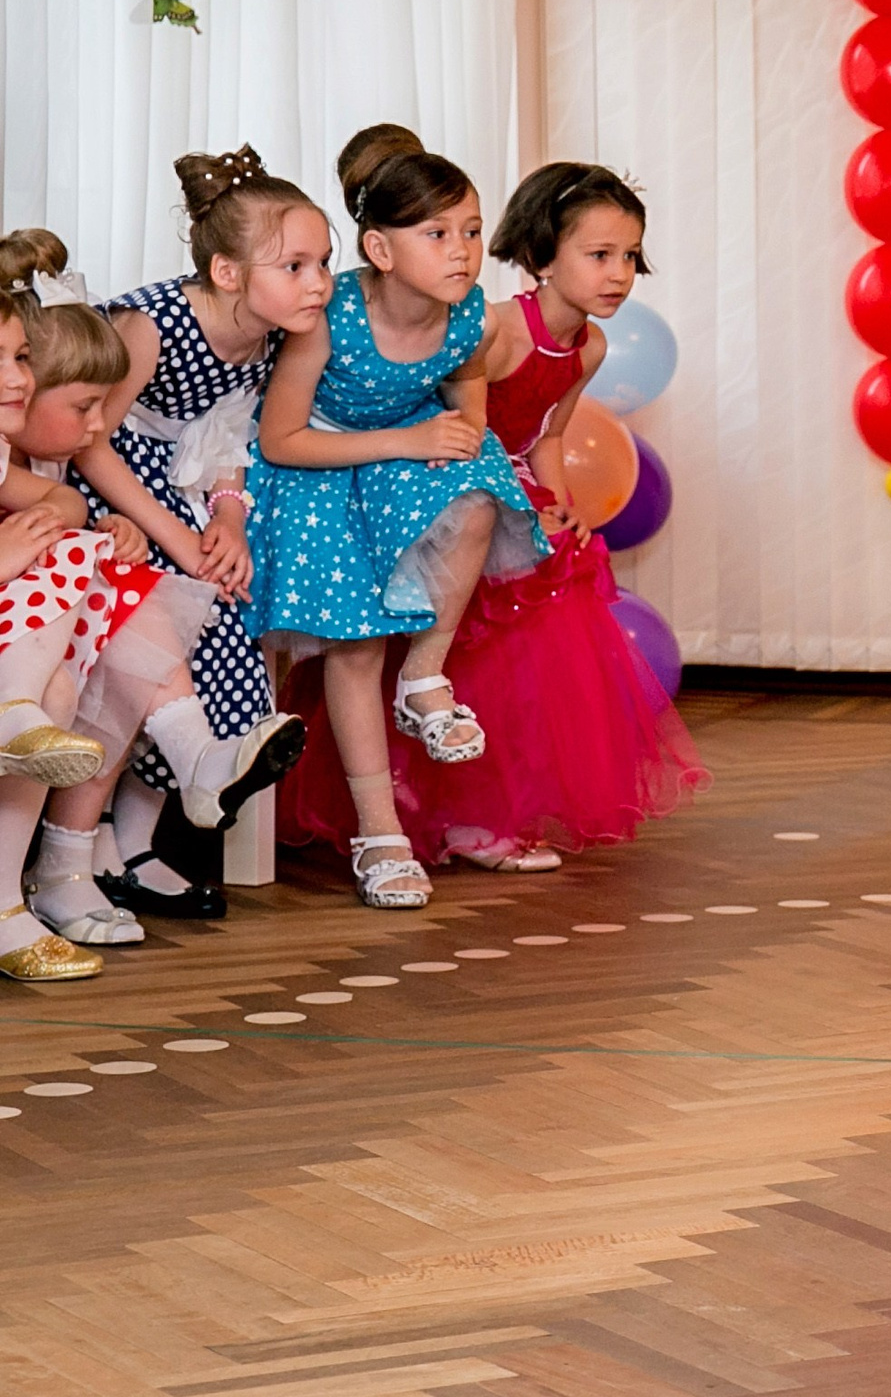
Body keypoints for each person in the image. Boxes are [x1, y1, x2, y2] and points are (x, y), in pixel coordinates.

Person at [283, 162, 705, 867]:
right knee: (465, 655)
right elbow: (462, 423)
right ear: (541, 257)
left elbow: (549, 434)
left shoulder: (590, 347)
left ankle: (489, 810)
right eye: (600, 255)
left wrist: (560, 504)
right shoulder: (497, 329)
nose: (619, 272)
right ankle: (428, 808)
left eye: (629, 256)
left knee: (528, 675)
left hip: (511, 490)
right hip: (457, 488)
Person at [248, 127, 547, 909]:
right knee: (356, 638)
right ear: (379, 250)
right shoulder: (331, 316)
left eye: (473, 231)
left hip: (397, 458)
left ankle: (424, 678)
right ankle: (379, 835)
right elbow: (281, 439)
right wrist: (410, 440)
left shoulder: (467, 312)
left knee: (483, 480)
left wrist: (454, 432)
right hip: (315, 468)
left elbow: (466, 382)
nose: (463, 251)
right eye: (438, 234)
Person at [71, 150, 334, 922]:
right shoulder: (154, 324)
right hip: (111, 494)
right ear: (226, 272)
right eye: (296, 264)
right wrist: (176, 540)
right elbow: (90, 441)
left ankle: (141, 837)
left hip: (184, 493)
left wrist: (225, 520)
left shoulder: (264, 336)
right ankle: (90, 845)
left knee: (223, 612)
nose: (318, 281)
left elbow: (225, 442)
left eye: (323, 262)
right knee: (165, 628)